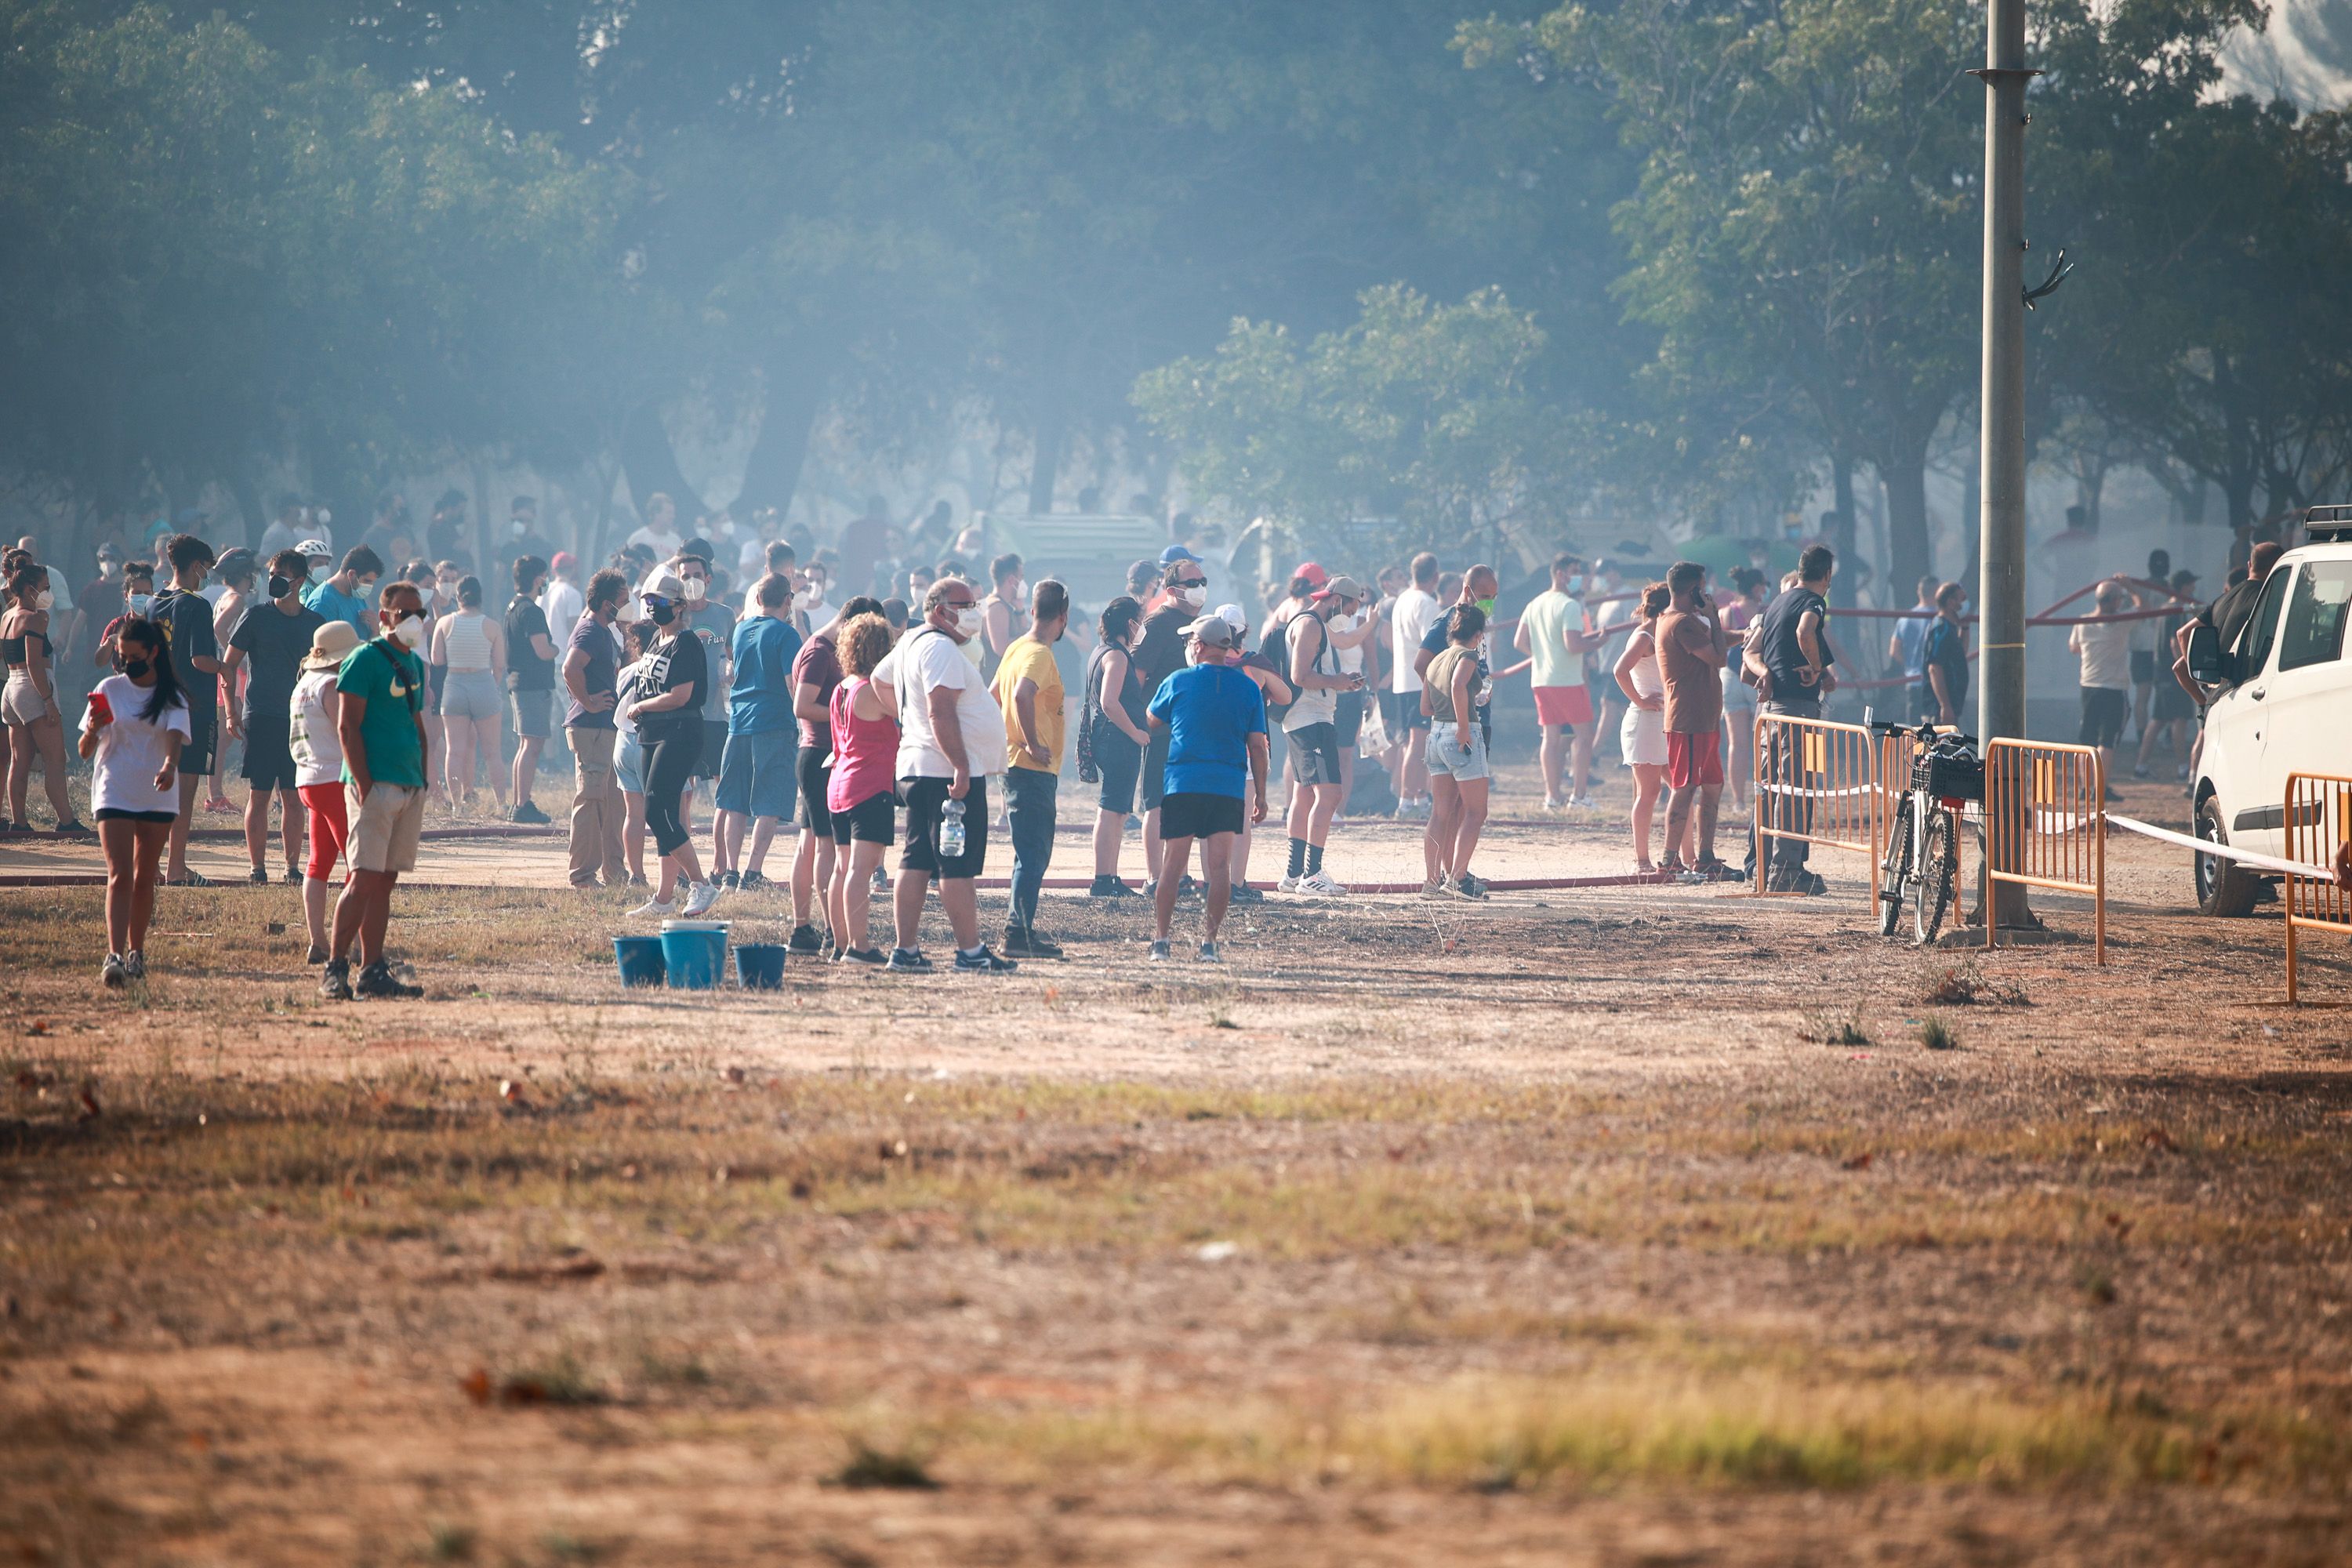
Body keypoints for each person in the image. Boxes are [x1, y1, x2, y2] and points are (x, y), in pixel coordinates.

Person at [873, 577, 1016, 973]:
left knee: (917, 858)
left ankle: (906, 951)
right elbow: (940, 711)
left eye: (974, 603)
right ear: (939, 610)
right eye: (964, 604)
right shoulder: (939, 649)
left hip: (921, 768)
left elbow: (879, 681)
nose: (974, 611)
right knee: (956, 864)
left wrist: (905, 719)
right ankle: (970, 952)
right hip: (944, 773)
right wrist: (961, 766)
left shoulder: (912, 642)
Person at [320, 582, 432, 1001]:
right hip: (373, 788)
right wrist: (363, 783)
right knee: (362, 878)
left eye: (418, 612)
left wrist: (423, 776)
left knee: (385, 881)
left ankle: (372, 969)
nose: (413, 620)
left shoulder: (415, 665)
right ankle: (335, 969)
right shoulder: (364, 659)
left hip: (407, 786)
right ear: (384, 617)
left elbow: (417, 725)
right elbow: (347, 725)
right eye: (404, 613)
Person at [1145, 614, 1269, 963]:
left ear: (1198, 646)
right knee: (1220, 869)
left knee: (1172, 866)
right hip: (1227, 785)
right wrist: (1260, 794)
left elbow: (1151, 722)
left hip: (1184, 783)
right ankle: (1209, 944)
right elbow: (1258, 746)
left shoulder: (1178, 681)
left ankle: (1161, 941)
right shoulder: (1247, 687)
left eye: (1190, 641)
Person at [80, 616, 188, 986]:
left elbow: (174, 737)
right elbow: (84, 751)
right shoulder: (109, 688)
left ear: (153, 652)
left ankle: (136, 953)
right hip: (115, 790)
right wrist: (93, 729)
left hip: (158, 795)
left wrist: (170, 766)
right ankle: (113, 954)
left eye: (134, 655)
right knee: (120, 875)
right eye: (122, 655)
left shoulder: (171, 695)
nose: (127, 662)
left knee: (145, 877)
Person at [621, 571, 722, 918]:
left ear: (679, 607)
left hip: (679, 731)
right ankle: (664, 899)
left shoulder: (687, 641)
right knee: (661, 814)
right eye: (649, 602)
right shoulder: (655, 641)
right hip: (650, 733)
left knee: (656, 810)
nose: (653, 608)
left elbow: (682, 696)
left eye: (660, 603)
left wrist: (641, 706)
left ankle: (701, 884)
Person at [220, 550, 324, 882]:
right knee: (260, 794)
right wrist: (231, 711)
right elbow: (229, 664)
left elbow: (328, 673)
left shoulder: (314, 625)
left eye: (281, 575)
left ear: (299, 581)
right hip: (260, 716)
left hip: (299, 720)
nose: (273, 581)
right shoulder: (255, 617)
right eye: (272, 574)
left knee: (294, 798)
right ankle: (257, 868)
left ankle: (292, 868)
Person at [1745, 544, 1839, 894]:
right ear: (1826, 574)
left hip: (1770, 714)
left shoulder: (1776, 604)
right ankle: (1787, 873)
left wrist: (1822, 675)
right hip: (1801, 715)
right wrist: (1815, 669)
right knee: (1798, 790)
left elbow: (1752, 653)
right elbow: (1805, 631)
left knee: (1771, 789)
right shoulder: (1813, 603)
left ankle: (1764, 869)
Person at [788, 593, 880, 946]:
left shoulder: (824, 650)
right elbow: (802, 705)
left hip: (821, 755)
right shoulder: (819, 653)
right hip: (819, 754)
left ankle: (803, 927)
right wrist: (847, 712)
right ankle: (831, 930)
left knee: (809, 843)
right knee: (825, 846)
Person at [992, 578, 1071, 958]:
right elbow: (1022, 693)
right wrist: (1032, 742)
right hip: (1032, 768)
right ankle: (1017, 933)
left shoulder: (1015, 647)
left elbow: (994, 695)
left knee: (1028, 851)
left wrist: (1009, 739)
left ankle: (1019, 927)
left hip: (1014, 762)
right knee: (1033, 854)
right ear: (1064, 615)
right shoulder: (1039, 654)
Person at [716, 572, 804, 906]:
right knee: (769, 800)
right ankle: (753, 873)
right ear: (787, 601)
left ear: (757, 599)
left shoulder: (740, 630)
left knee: (735, 801)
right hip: (774, 722)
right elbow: (791, 683)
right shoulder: (787, 634)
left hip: (739, 722)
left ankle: (731, 873)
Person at [1279, 573, 1367, 896]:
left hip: (1306, 718)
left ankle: (1293, 873)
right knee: (1330, 795)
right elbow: (1300, 675)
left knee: (1304, 796)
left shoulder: (1314, 625)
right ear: (1336, 599)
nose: (1351, 615)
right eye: (1351, 607)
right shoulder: (1311, 625)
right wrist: (1338, 682)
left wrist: (1340, 680)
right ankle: (1312, 874)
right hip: (1310, 718)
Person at [824, 612, 901, 964]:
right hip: (868, 784)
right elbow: (908, 715)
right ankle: (859, 945)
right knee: (860, 869)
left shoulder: (841, 689)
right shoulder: (872, 692)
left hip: (839, 783)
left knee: (843, 868)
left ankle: (841, 944)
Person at [149, 535, 224, 886]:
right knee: (186, 790)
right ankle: (176, 867)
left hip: (157, 702)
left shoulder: (154, 602)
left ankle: (150, 863)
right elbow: (201, 659)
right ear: (196, 566)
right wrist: (226, 666)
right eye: (206, 569)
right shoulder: (196, 606)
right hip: (192, 707)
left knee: (158, 787)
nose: (205, 576)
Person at [1657, 561, 1738, 882]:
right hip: (1688, 721)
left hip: (1705, 721)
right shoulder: (1680, 623)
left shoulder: (1689, 621)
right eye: (1702, 589)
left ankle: (1705, 858)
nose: (1706, 594)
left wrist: (1748, 633)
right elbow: (1718, 657)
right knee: (1685, 787)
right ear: (1691, 590)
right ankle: (1668, 861)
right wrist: (1715, 617)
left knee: (1713, 786)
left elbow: (1718, 642)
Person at [1135, 557, 1210, 895]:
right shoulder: (1157, 623)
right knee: (1156, 802)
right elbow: (1136, 679)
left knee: (1183, 803)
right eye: (1191, 583)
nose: (1199, 588)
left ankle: (1176, 873)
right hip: (1161, 728)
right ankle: (1155, 878)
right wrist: (1144, 724)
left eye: (1202, 581)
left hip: (1192, 730)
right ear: (1172, 589)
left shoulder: (1201, 624)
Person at [289, 620, 361, 963]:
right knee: (359, 865)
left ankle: (317, 941)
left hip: (308, 778)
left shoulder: (304, 683)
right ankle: (352, 943)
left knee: (318, 863)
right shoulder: (332, 685)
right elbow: (345, 730)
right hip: (335, 778)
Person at [561, 568, 630, 889]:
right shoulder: (590, 631)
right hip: (592, 729)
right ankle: (583, 876)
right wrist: (587, 702)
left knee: (613, 802)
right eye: (622, 602)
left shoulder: (605, 632)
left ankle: (615, 873)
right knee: (591, 801)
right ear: (606, 604)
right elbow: (570, 667)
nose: (626, 606)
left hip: (606, 728)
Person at [1517, 551, 1602, 811]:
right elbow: (1574, 644)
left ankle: (1552, 798)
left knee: (1550, 738)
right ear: (1559, 574)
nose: (1579, 577)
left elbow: (1519, 642)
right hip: (1568, 680)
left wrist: (1543, 655)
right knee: (1584, 737)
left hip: (1541, 679)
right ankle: (1579, 796)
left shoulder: (1535, 603)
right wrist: (1599, 642)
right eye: (1574, 571)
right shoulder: (1569, 606)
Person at [2, 562, 82, 832]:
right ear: (29, 588)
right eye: (45, 588)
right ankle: (67, 821)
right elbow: (34, 662)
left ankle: (19, 822)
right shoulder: (37, 618)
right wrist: (47, 700)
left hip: (11, 688)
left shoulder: (7, 616)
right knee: (55, 759)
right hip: (33, 687)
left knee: (19, 760)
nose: (48, 593)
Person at [1421, 603, 1492, 897]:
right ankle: (1458, 879)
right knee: (1476, 812)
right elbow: (1457, 684)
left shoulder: (1435, 660)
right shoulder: (1468, 655)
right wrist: (1464, 724)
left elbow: (1426, 706)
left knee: (1440, 813)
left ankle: (1430, 881)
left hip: (1435, 734)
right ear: (1477, 635)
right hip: (1460, 734)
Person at [1083, 596, 1152, 897]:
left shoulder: (1102, 651)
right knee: (1111, 810)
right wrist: (1136, 733)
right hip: (1117, 739)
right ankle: (1103, 878)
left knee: (1118, 811)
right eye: (1140, 619)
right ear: (1129, 623)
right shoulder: (1117, 656)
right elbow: (1109, 703)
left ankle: (1110, 875)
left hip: (1109, 738)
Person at [670, 546, 734, 870]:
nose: (692, 581)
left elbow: (730, 653)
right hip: (683, 714)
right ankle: (685, 866)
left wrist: (730, 669)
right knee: (684, 792)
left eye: (697, 576)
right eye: (686, 577)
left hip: (717, 714)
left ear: (708, 579)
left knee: (724, 789)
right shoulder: (675, 616)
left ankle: (721, 865)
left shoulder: (724, 615)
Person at [427, 574, 507, 813]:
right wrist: (493, 684)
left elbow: (437, 659)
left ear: (457, 597)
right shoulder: (491, 625)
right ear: (480, 597)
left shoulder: (445, 623)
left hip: (454, 686)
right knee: (493, 751)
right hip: (483, 682)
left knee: (454, 750)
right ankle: (502, 804)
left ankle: (457, 805)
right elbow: (500, 663)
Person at [1615, 583, 1673, 875]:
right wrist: (1640, 699)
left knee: (1679, 788)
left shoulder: (1662, 632)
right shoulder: (1645, 635)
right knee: (1649, 792)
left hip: (1663, 722)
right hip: (1645, 721)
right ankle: (1641, 861)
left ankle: (1678, 857)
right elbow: (1619, 670)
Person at [503, 555, 557, 824]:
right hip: (532, 685)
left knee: (526, 743)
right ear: (538, 579)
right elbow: (543, 651)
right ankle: (522, 804)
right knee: (533, 744)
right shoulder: (531, 611)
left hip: (519, 682)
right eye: (544, 577)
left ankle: (519, 802)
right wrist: (557, 649)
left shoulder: (513, 607)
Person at [2068, 579, 2134, 801]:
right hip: (2113, 689)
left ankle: (2086, 788)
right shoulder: (2120, 622)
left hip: (2089, 686)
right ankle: (2100, 788)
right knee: (2107, 741)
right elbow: (2142, 607)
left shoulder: (2083, 622)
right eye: (2119, 598)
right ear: (2113, 601)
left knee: (2086, 740)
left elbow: (2074, 648)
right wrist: (2131, 586)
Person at [1387, 552, 1441, 818]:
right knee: (1418, 744)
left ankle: (1418, 798)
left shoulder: (1403, 599)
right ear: (1436, 576)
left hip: (1405, 681)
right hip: (1421, 682)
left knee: (1414, 743)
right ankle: (1406, 801)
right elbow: (1430, 646)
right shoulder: (1427, 603)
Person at [2137, 568, 2201, 780]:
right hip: (2173, 673)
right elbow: (2176, 642)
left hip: (2161, 672)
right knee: (2179, 719)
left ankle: (2141, 766)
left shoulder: (2165, 609)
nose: (2193, 587)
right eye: (2191, 584)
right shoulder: (2176, 610)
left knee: (2158, 720)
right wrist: (2186, 666)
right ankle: (2183, 766)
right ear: (2184, 586)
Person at [1720, 566, 1769, 815]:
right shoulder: (1765, 612)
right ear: (1756, 587)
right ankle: (1763, 795)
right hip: (1756, 677)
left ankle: (1738, 800)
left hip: (1730, 677)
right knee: (1763, 742)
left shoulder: (1726, 613)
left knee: (1736, 744)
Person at [2129, 548, 2172, 745]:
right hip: (2155, 649)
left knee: (2150, 695)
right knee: (2154, 694)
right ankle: (2149, 736)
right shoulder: (2168, 590)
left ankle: (2147, 737)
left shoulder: (2143, 589)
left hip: (2151, 649)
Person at [1917, 581, 1969, 727]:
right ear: (1951, 602)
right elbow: (1934, 667)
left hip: (1951, 705)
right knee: (1940, 748)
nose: (1966, 605)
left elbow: (1960, 655)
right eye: (1962, 600)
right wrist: (1944, 705)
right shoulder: (1942, 629)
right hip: (1939, 709)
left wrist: (1965, 627)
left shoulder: (1950, 628)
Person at [303, 546, 382, 637]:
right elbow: (319, 649)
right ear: (352, 574)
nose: (369, 587)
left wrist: (375, 631)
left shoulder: (357, 595)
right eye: (367, 581)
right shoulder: (323, 603)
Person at [1888, 574, 1940, 696]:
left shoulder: (1904, 619)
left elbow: (1894, 651)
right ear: (1937, 592)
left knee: (1914, 715)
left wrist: (1910, 667)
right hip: (1937, 682)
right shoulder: (1940, 618)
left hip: (1912, 682)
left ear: (1919, 592)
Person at [980, 553, 1028, 676]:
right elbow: (1001, 648)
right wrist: (1032, 636)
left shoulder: (1007, 606)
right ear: (1012, 580)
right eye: (1021, 577)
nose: (1023, 582)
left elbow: (1023, 629)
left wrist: (1020, 609)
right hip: (995, 683)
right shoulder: (996, 607)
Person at [495, 495, 556, 590]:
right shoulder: (508, 548)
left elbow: (549, 577)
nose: (520, 524)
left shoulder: (544, 547)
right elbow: (500, 577)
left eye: (524, 520)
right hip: (511, 599)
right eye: (518, 520)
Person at [540, 551, 585, 648]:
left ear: (553, 571)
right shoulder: (573, 594)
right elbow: (573, 627)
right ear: (573, 569)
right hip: (563, 655)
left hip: (543, 653)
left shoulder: (542, 592)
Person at [626, 493, 684, 560]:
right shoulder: (637, 538)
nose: (673, 517)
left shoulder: (676, 540)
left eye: (673, 513)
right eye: (668, 513)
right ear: (656, 514)